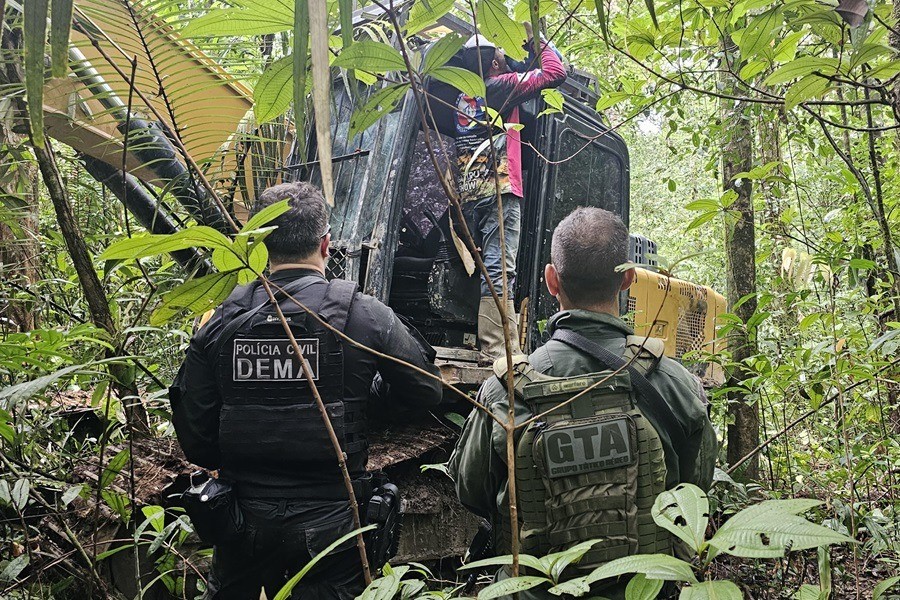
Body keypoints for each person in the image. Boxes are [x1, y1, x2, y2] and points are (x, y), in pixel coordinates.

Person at [170, 182, 443, 599]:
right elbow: (427, 391)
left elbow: (197, 440)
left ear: (259, 244)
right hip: (335, 524)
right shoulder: (363, 315)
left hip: (242, 520)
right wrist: (366, 401)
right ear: (326, 243)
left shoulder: (222, 321)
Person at [448, 207, 717, 599]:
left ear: (551, 280)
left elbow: (470, 491)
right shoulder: (673, 382)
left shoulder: (503, 390)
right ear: (628, 278)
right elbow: (696, 490)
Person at [429, 24, 567, 360]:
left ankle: (489, 338)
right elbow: (554, 71)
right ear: (493, 64)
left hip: (470, 193)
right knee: (500, 269)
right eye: (503, 54)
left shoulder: (465, 97)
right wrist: (536, 40)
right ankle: (498, 347)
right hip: (500, 189)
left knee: (487, 265)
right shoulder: (501, 86)